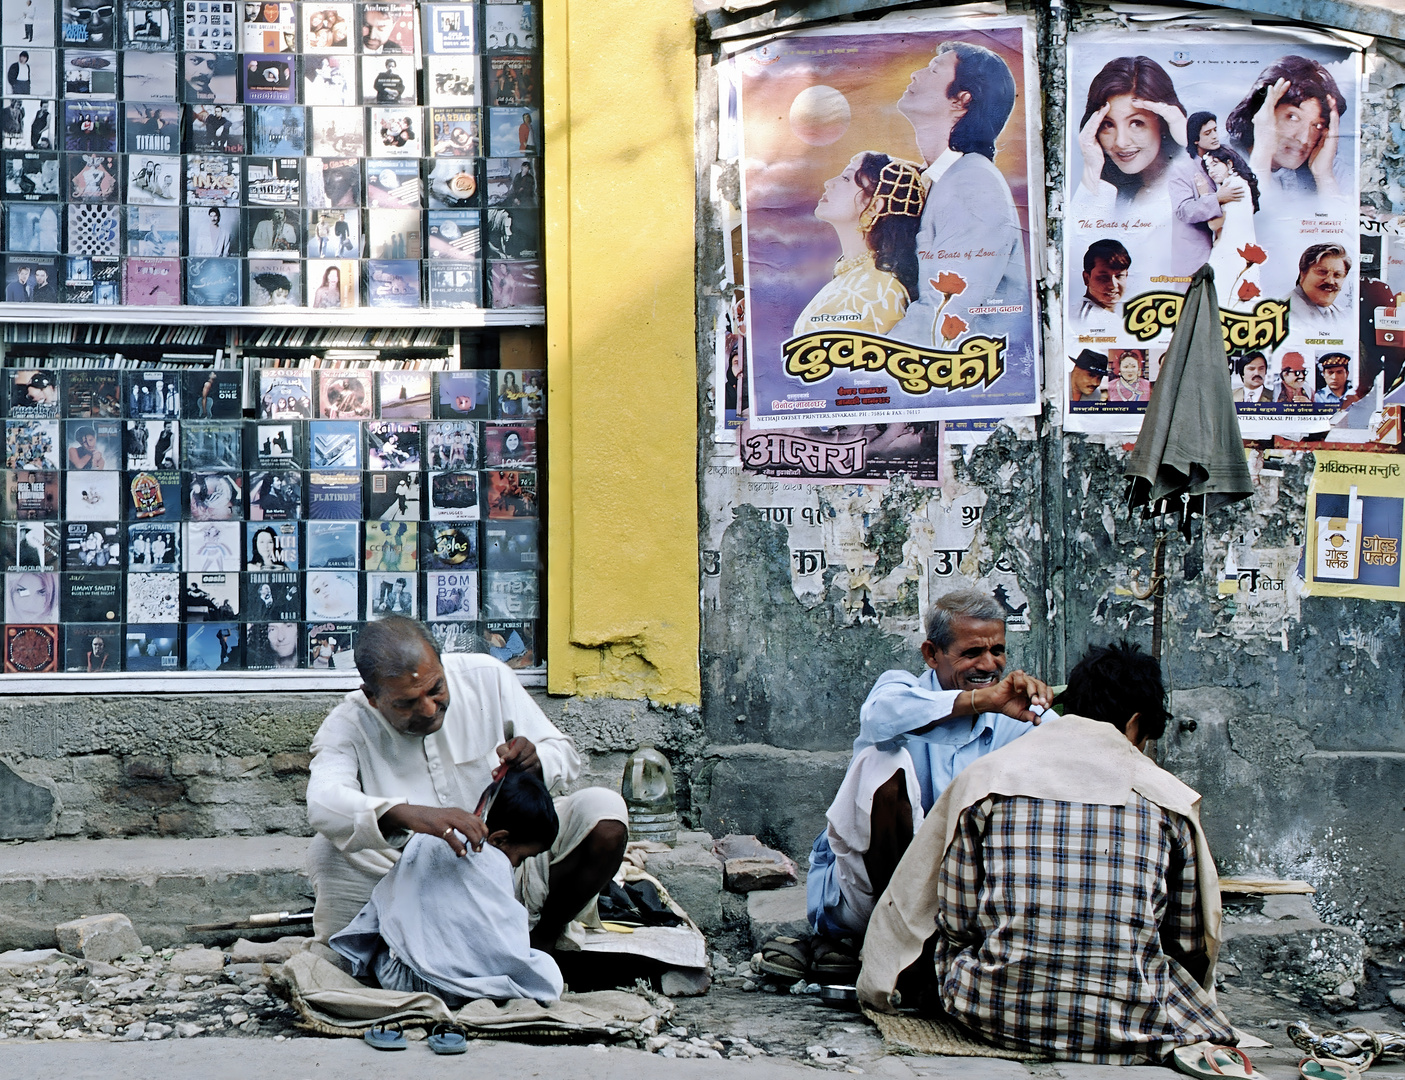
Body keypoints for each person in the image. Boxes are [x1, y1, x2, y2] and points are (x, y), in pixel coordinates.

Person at [857, 642, 1235, 1063]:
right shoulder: (1169, 800)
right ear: (1134, 725)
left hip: (989, 1012)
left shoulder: (987, 779)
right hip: (1132, 1019)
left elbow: (956, 919)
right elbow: (1188, 942)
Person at [305, 617, 630, 949]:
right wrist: (404, 814)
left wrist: (537, 759)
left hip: (510, 864)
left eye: (436, 690)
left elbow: (563, 753)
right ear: (372, 697)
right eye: (407, 703)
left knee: (605, 814)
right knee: (327, 850)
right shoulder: (347, 725)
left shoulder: (486, 677)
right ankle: (408, 951)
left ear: (442, 664)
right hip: (416, 885)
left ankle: (542, 940)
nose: (430, 709)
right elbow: (322, 802)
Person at [800, 591, 1050, 973]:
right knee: (883, 761)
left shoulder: (1014, 714)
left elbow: (1068, 750)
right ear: (932, 654)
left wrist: (1043, 715)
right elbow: (879, 719)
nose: (989, 664)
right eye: (972, 653)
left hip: (967, 902)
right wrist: (979, 701)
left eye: (997, 651)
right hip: (871, 897)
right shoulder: (899, 691)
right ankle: (898, 947)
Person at [330, 769, 566, 1003]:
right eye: (521, 858)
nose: (516, 865)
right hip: (445, 989)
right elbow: (500, 946)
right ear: (499, 839)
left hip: (394, 974)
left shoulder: (429, 836)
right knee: (546, 974)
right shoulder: (493, 860)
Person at [887, 42, 1028, 347]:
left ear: (962, 100)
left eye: (934, 69)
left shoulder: (973, 184)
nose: (915, 74)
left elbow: (943, 318)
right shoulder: (946, 179)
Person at [791, 152, 924, 338]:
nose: (828, 182)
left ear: (875, 205)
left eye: (846, 178)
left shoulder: (880, 290)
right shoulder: (855, 277)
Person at [1073, 55, 1187, 214]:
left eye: (1136, 123)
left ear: (1163, 122)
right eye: (1108, 124)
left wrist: (1190, 138)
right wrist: (1091, 172)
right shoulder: (1119, 194)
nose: (1121, 142)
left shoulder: (1190, 188)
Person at [1226, 55, 1348, 201]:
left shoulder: (1329, 165)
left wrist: (1324, 177)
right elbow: (1255, 220)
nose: (1304, 139)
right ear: (1262, 110)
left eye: (1317, 125)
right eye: (1293, 117)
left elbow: (1339, 221)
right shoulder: (1215, 159)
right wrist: (1262, 156)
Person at [1170, 112, 1245, 280]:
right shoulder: (1182, 170)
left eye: (1215, 130)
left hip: (1226, 251)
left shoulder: (1225, 159)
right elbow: (1183, 211)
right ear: (1195, 139)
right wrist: (1217, 198)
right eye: (1207, 133)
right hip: (1195, 256)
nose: (1214, 136)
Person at [1202, 146, 1262, 309]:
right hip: (1241, 252)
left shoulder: (1230, 185)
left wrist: (1204, 195)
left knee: (1222, 303)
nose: (1211, 171)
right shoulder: (1241, 183)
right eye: (1208, 167)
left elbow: (1214, 224)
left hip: (1229, 253)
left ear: (1229, 164)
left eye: (1215, 164)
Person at [1290, 242, 1351, 331]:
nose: (1330, 281)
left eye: (1337, 275)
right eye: (1322, 272)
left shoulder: (1341, 314)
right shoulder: (1286, 312)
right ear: (1303, 273)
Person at [1074, 238, 1129, 327]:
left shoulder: (1108, 316)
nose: (1113, 285)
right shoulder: (1085, 320)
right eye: (1104, 277)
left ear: (1126, 275)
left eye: (1119, 276)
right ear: (1087, 278)